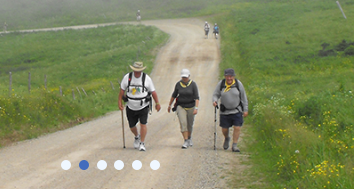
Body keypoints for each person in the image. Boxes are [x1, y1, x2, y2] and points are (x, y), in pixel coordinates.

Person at [118, 61, 161, 151]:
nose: (137, 73)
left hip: (143, 106)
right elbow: (122, 91)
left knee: (143, 124)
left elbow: (153, 92)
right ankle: (137, 136)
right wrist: (120, 103)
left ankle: (142, 143)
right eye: (135, 71)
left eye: (139, 71)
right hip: (130, 106)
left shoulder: (146, 79)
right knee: (132, 126)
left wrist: (157, 103)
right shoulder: (127, 77)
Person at [212, 68, 248, 152]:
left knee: (237, 127)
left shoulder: (238, 84)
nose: (229, 78)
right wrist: (215, 101)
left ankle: (234, 145)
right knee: (224, 129)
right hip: (225, 111)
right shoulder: (221, 84)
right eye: (227, 76)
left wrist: (245, 109)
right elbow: (215, 94)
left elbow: (243, 98)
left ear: (233, 77)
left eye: (231, 76)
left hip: (237, 110)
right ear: (225, 76)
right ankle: (227, 138)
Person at [167, 69, 199, 149]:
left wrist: (196, 108)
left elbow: (197, 97)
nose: (184, 79)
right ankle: (185, 140)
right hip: (181, 106)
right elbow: (174, 95)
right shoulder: (178, 84)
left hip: (191, 106)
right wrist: (169, 105)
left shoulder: (193, 84)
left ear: (189, 76)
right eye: (183, 77)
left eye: (186, 77)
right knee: (183, 123)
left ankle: (189, 137)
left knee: (189, 124)